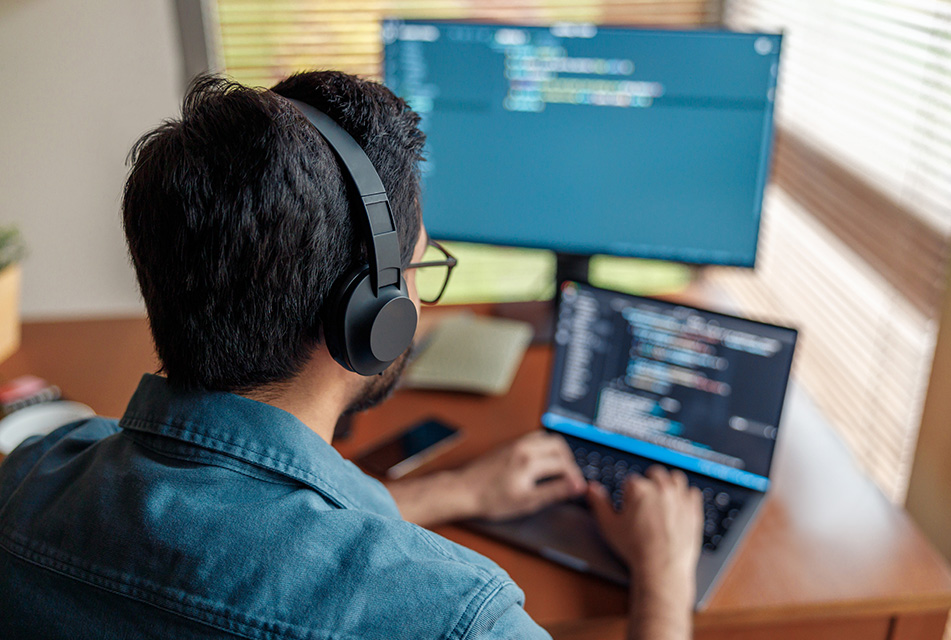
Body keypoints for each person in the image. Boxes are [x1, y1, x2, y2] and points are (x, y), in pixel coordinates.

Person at [0, 71, 702, 639]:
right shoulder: (453, 617)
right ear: (373, 318)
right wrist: (665, 582)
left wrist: (452, 492)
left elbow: (234, 533)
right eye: (419, 273)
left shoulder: (29, 482)